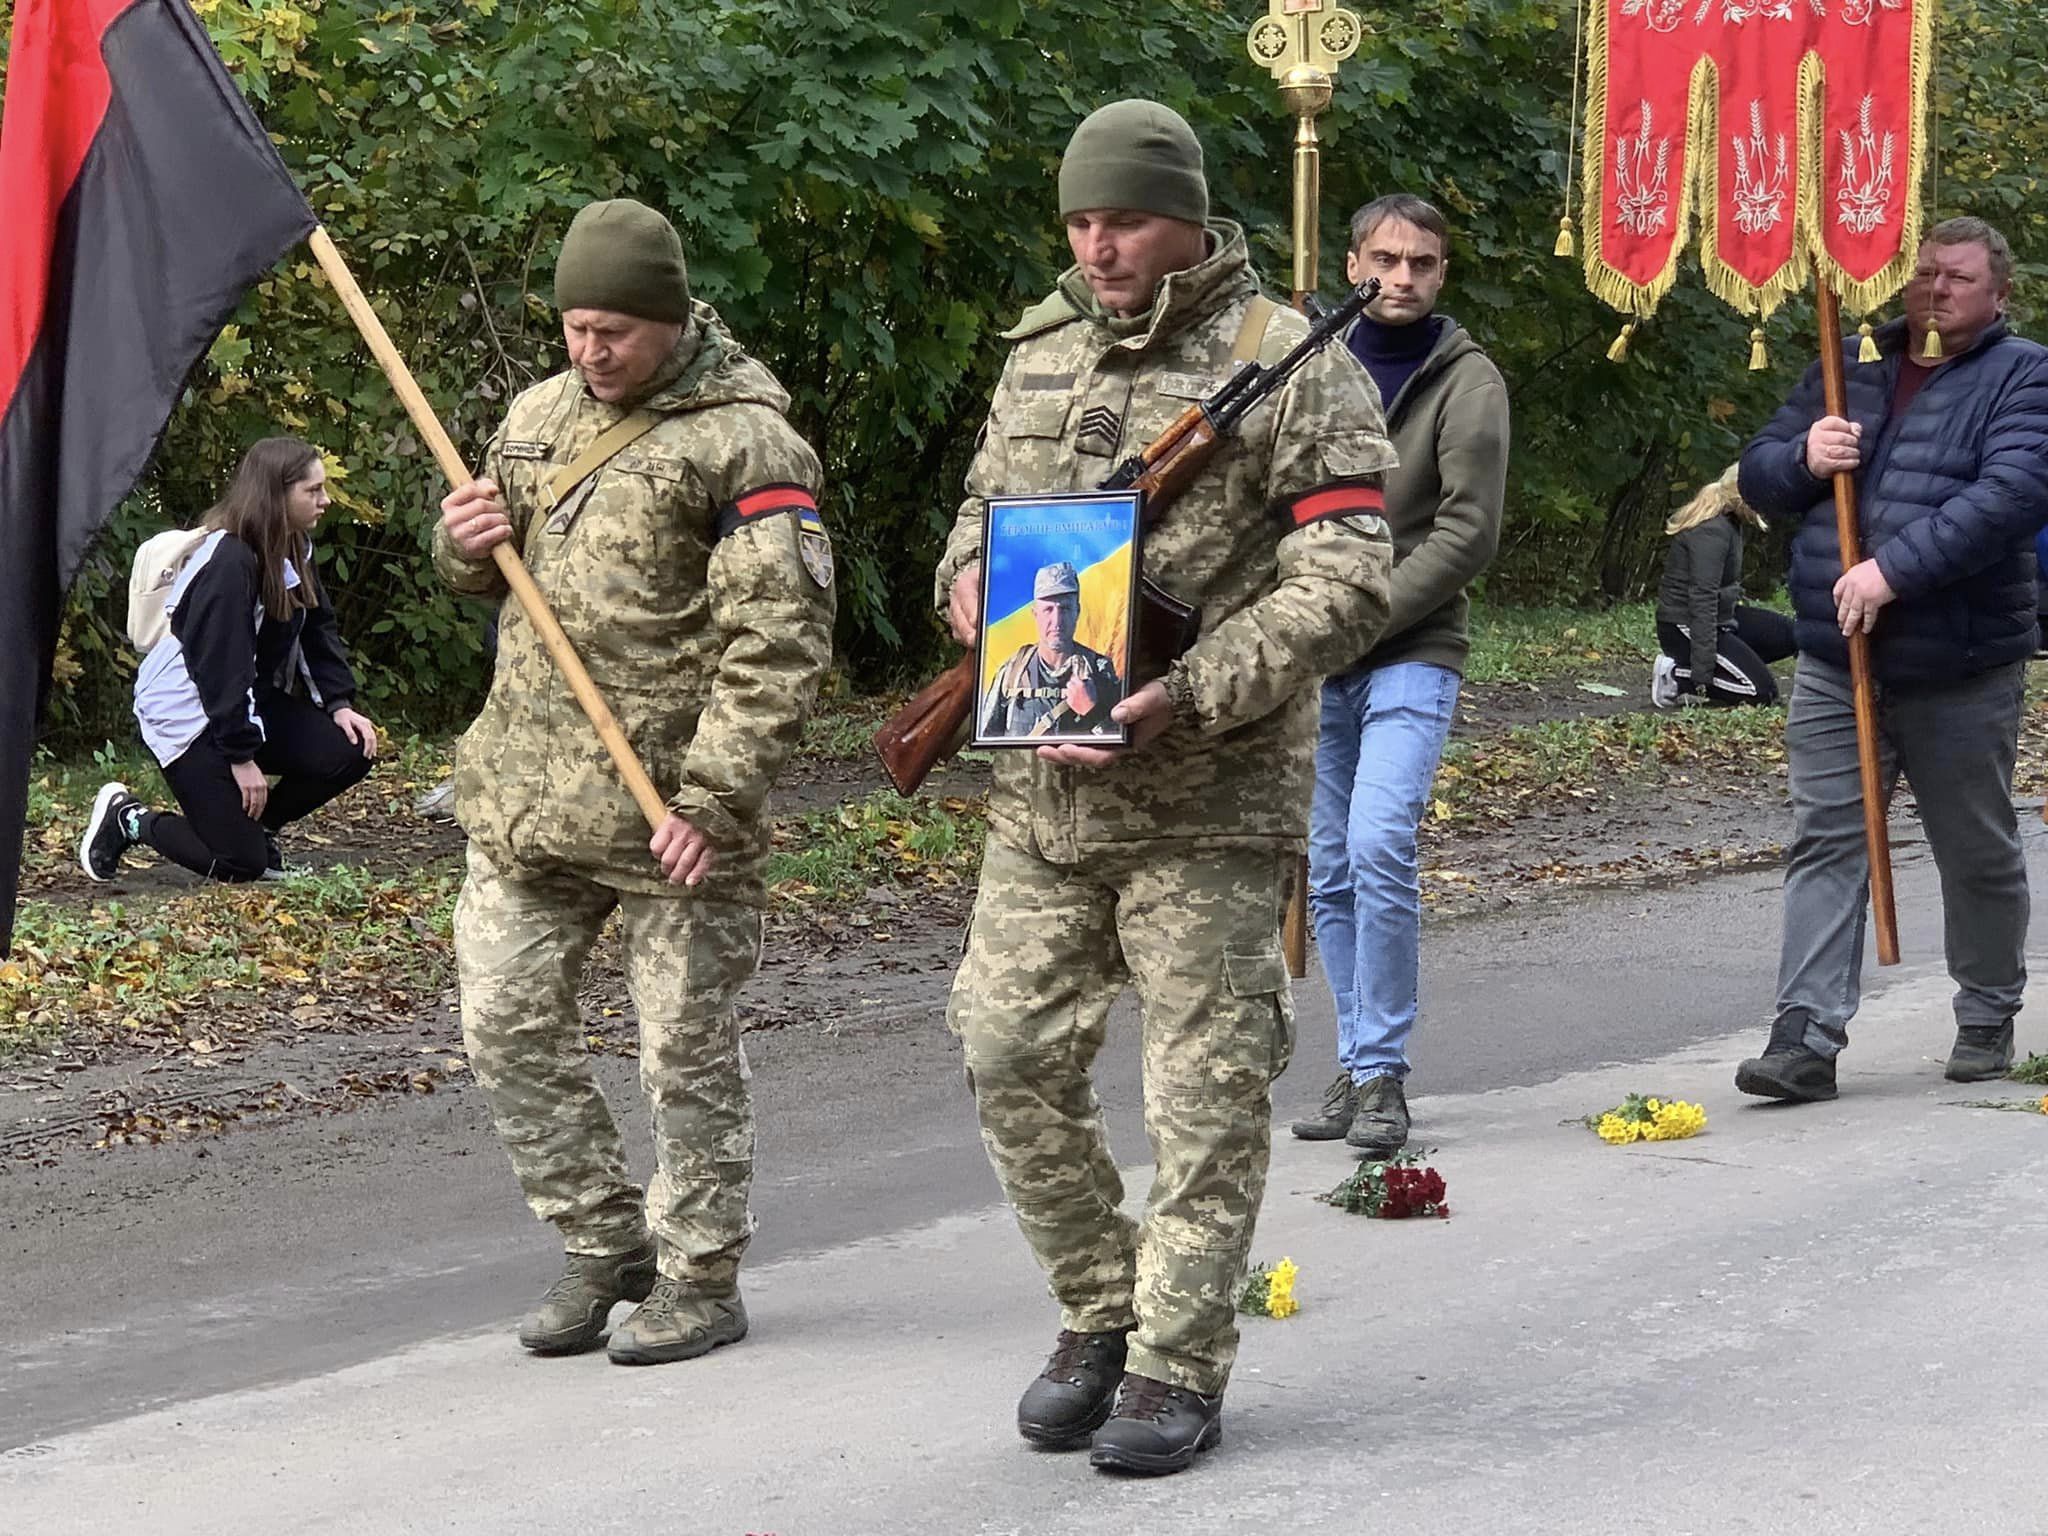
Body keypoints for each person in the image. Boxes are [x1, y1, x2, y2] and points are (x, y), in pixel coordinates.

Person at [937, 101, 1394, 1476]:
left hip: (1208, 794)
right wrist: (966, 589)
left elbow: (1349, 578)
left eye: (1123, 219)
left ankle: (1177, 1360)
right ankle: (1101, 1306)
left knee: (1203, 1092)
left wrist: (1190, 691)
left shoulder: (1292, 365)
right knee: (1004, 1050)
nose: (1099, 244)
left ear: (1188, 215)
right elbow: (979, 512)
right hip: (1043, 796)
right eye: (1080, 221)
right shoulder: (1041, 346)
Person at [434, 199, 834, 1363]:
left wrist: (714, 799)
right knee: (504, 1025)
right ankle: (600, 1244)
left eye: (612, 330)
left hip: (672, 816)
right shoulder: (536, 416)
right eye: (571, 327)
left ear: (667, 320)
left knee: (681, 1052)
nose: (588, 352)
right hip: (527, 803)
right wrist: (458, 539)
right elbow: (480, 569)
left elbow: (779, 641)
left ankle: (701, 1276)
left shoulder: (745, 442)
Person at [1733, 215, 2048, 1103]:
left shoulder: (2024, 375)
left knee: (1972, 846)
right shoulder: (1851, 365)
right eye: (1923, 273)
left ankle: (1987, 1007)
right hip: (1840, 658)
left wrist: (1893, 573)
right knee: (1827, 836)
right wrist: (1802, 454)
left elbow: (2012, 495)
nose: (1935, 289)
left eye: (1955, 277)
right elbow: (1756, 476)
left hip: (1962, 658)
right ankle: (1806, 1035)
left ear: (1998, 294)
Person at [1287, 194, 1508, 1157]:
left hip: (1410, 647)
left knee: (1378, 843)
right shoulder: (1305, 366)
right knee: (1328, 868)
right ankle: (1355, 1060)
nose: (1403, 277)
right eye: (1386, 259)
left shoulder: (1468, 382)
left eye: (1423, 261)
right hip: (1308, 654)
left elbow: (1467, 531)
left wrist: (1359, 617)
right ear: (1352, 263)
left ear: (1442, 274)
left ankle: (1383, 1075)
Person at [80, 438, 377, 884]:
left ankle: (256, 832)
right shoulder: (228, 559)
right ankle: (129, 819)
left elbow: (317, 628)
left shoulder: (294, 546)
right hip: (185, 712)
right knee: (239, 864)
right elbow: (220, 666)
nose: (326, 499)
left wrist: (340, 704)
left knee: (350, 750)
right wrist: (241, 758)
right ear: (277, 495)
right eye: (312, 491)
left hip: (239, 700)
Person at [1649, 464, 1794, 707]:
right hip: (1684, 625)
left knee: (1792, 634)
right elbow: (1702, 598)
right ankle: (1674, 674)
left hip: (1723, 618)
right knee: (1761, 693)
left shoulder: (1731, 522)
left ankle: (1735, 663)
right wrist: (1701, 675)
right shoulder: (1712, 531)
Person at [980, 561, 1124, 737]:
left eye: (1064, 609)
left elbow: (1120, 741)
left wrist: (1092, 711)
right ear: (1035, 614)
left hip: (1079, 764)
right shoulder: (1012, 671)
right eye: (1048, 610)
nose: (1057, 621)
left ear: (1077, 612)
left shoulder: (1100, 670)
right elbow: (985, 737)